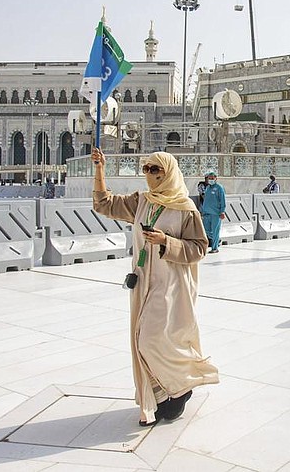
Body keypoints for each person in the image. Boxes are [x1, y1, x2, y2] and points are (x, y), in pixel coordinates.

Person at [91, 147, 219, 425]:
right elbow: (104, 204)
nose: (149, 175)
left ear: (168, 172)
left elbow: (199, 248)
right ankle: (161, 393)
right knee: (142, 339)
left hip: (172, 285)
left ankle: (182, 385)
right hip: (143, 281)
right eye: (146, 169)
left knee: (153, 339)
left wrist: (165, 242)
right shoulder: (142, 201)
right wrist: (100, 169)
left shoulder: (186, 208)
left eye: (155, 170)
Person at [201, 170, 226, 253]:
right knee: (206, 230)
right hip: (206, 213)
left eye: (212, 178)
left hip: (216, 214)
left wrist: (222, 211)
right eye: (209, 178)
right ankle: (217, 240)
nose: (211, 179)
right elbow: (206, 200)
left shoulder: (219, 188)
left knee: (215, 231)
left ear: (216, 178)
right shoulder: (207, 188)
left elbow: (222, 200)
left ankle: (215, 248)